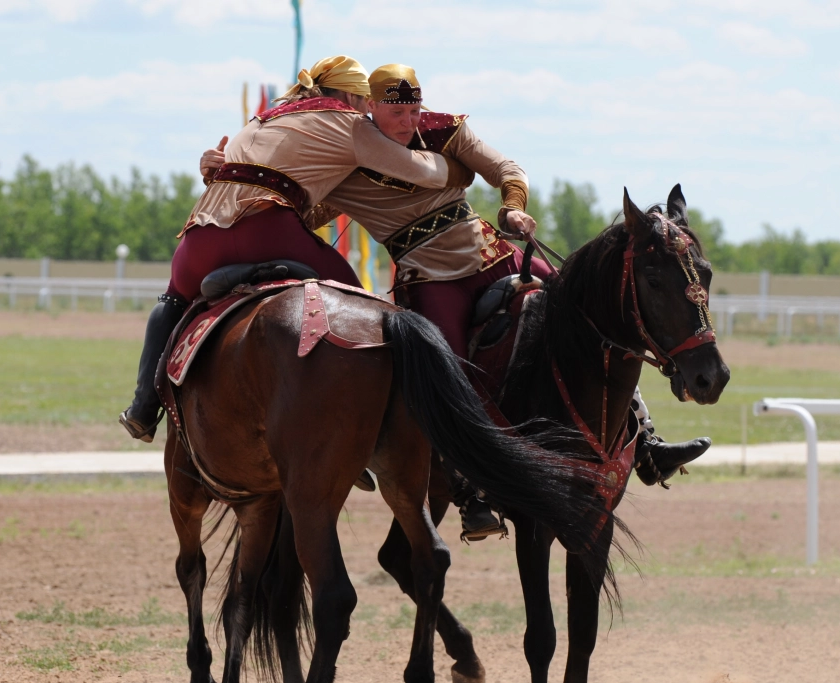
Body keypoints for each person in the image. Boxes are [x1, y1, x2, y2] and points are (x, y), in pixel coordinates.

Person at [199, 64, 709, 537]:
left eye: (413, 110)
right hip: (427, 277)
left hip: (497, 251)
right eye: (395, 112)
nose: (408, 121)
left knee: (589, 318)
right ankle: (468, 489)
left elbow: (505, 166)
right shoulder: (347, 157)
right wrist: (229, 171)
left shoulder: (448, 130)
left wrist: (512, 207)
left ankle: (646, 443)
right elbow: (297, 210)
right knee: (449, 370)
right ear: (368, 109)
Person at [119, 55, 473, 443]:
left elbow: (239, 172)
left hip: (201, 235)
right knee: (361, 308)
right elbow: (419, 171)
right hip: (268, 230)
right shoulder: (350, 122)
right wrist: (460, 171)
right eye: (363, 101)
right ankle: (380, 432)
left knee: (171, 300)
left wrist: (209, 169)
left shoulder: (266, 117)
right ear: (352, 97)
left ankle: (142, 408)